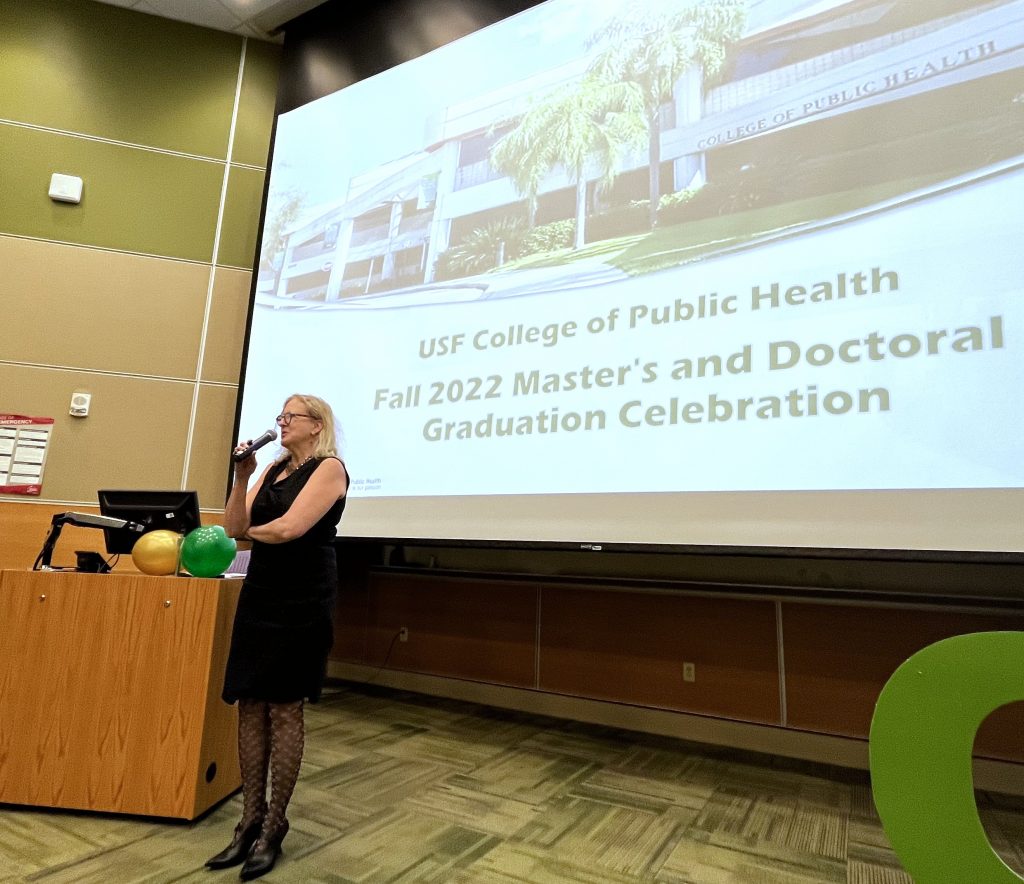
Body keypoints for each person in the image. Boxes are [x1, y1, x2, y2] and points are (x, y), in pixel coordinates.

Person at [206, 394, 348, 880]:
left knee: (284, 706)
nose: (281, 424)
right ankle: (248, 820)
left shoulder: (330, 469)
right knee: (250, 703)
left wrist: (248, 531)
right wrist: (242, 476)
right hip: (261, 594)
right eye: (280, 417)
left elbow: (289, 529)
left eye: (291, 417)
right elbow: (231, 528)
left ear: (316, 425)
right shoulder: (269, 470)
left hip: (302, 597)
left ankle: (274, 825)